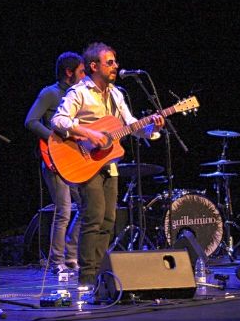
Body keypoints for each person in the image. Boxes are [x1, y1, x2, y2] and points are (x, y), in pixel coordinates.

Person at [51, 42, 164, 287]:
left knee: (108, 220)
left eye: (115, 62)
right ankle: (87, 278)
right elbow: (58, 120)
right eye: (109, 62)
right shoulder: (78, 92)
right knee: (93, 217)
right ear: (94, 66)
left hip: (108, 163)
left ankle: (101, 274)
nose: (115, 66)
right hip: (84, 161)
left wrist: (152, 127)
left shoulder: (116, 94)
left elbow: (131, 125)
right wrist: (89, 134)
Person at [24, 52, 86, 274]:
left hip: (75, 159)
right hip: (54, 159)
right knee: (64, 210)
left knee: (86, 206)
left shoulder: (79, 95)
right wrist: (53, 140)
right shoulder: (50, 93)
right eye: (81, 71)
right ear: (69, 72)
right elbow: (30, 120)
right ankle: (56, 261)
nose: (85, 75)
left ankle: (71, 255)